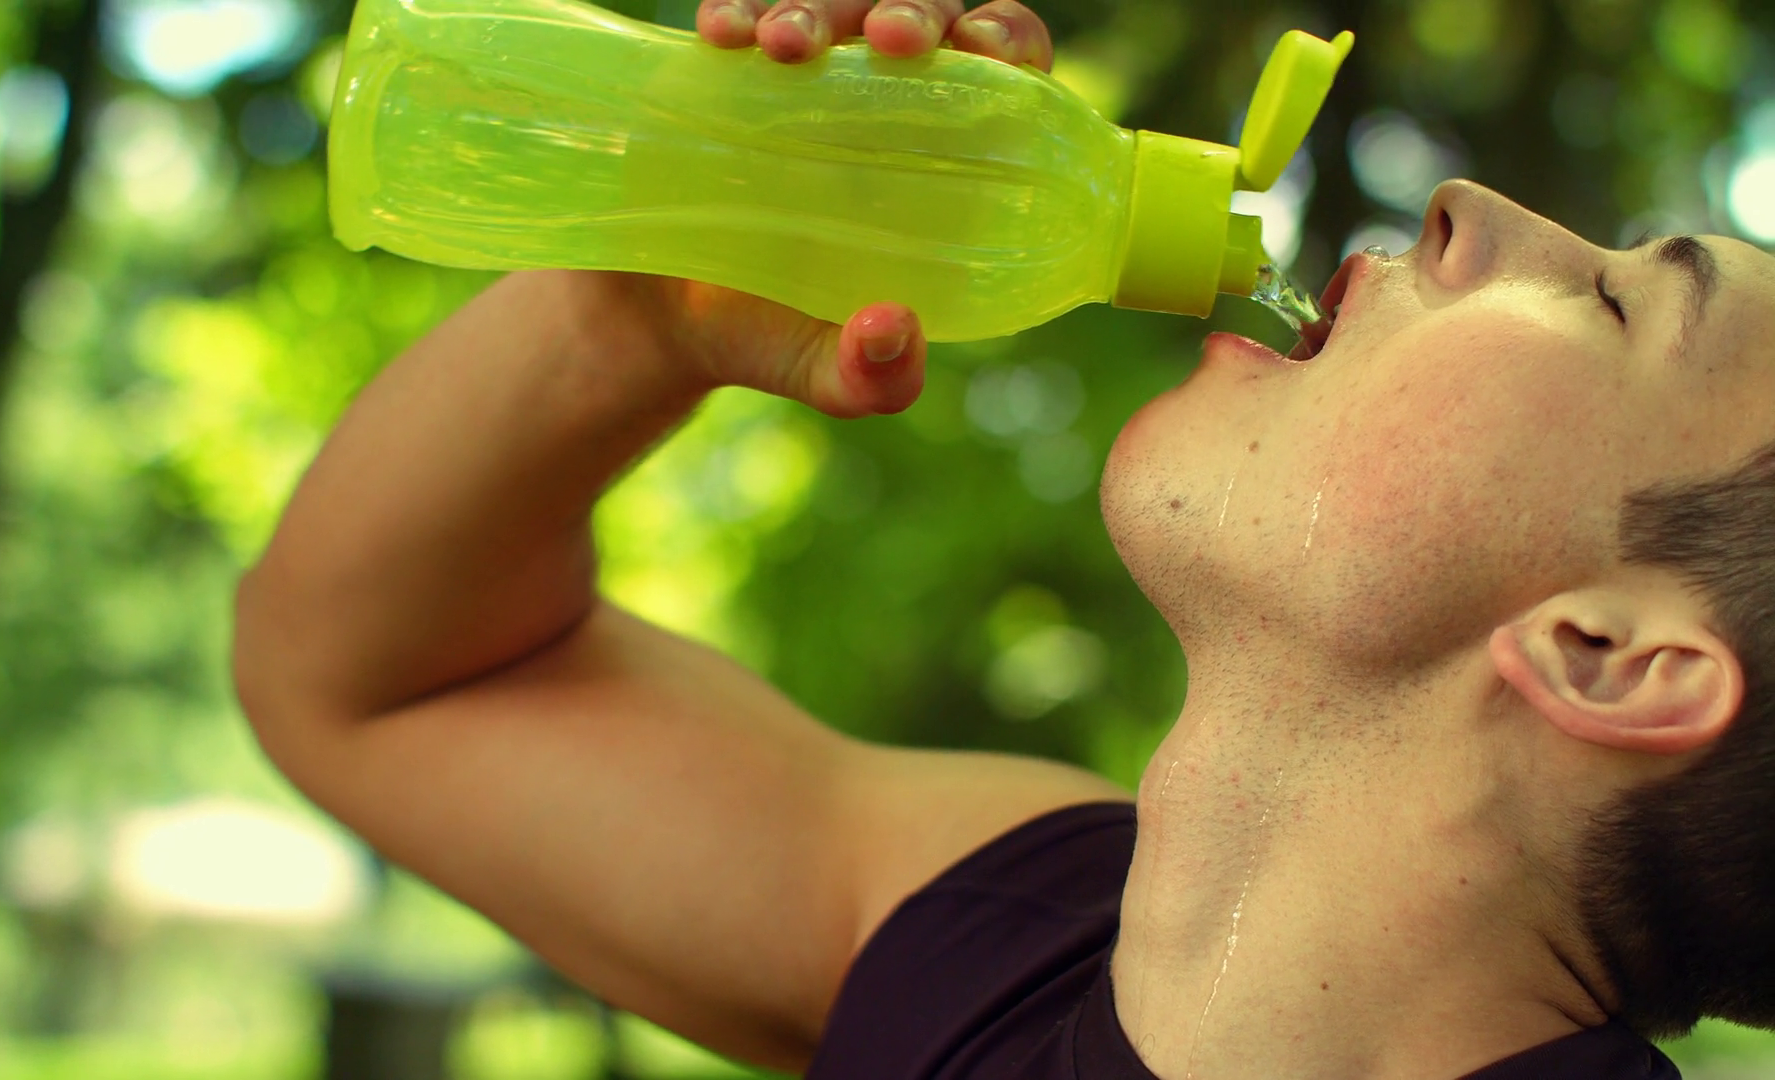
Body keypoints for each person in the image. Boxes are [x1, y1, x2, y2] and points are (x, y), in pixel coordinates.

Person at [232, 0, 1775, 1076]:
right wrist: (660, 282)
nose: (1467, 207)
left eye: (1626, 302)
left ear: (1612, 659)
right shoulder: (1007, 931)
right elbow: (376, 679)